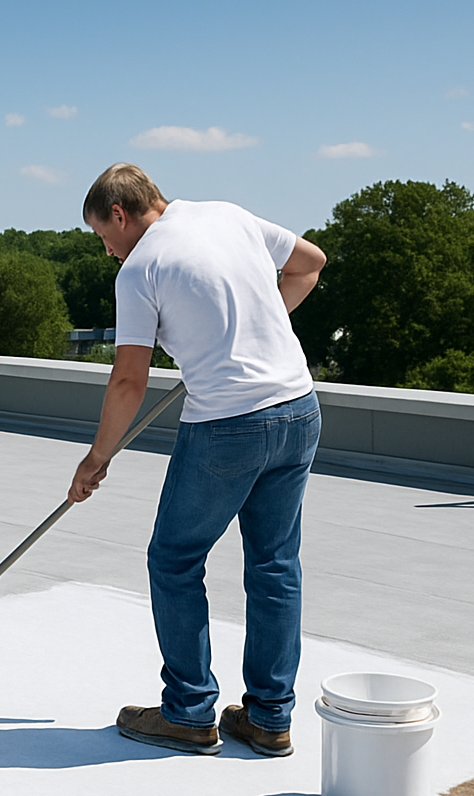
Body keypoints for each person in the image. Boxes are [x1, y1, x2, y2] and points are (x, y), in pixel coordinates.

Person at [69, 163, 326, 757]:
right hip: (298, 409)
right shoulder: (228, 215)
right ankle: (268, 719)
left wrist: (96, 458)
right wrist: (245, 336)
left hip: (228, 427)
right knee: (275, 564)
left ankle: (187, 712)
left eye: (103, 237)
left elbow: (129, 379)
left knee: (176, 558)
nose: (107, 252)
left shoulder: (140, 270)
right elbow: (310, 263)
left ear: (119, 214)